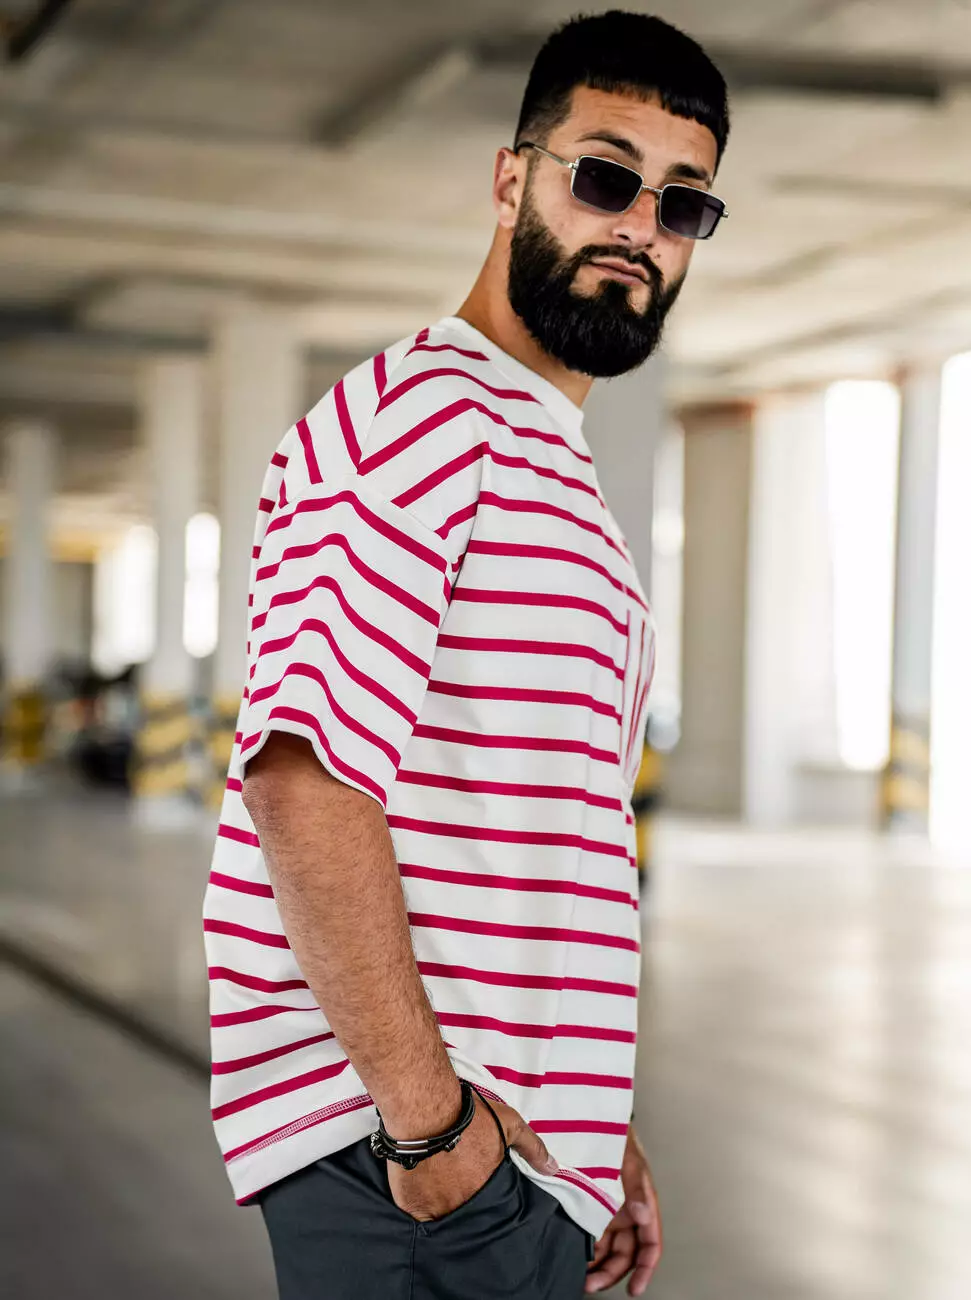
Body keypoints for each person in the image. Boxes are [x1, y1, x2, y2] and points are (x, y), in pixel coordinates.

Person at [202, 10, 730, 1298]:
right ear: (511, 180)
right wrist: (436, 1132)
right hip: (404, 1163)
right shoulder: (422, 418)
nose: (639, 226)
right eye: (604, 176)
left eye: (682, 203)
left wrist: (588, 1129)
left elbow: (527, 843)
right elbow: (301, 780)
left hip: (504, 1157)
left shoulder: (543, 459)